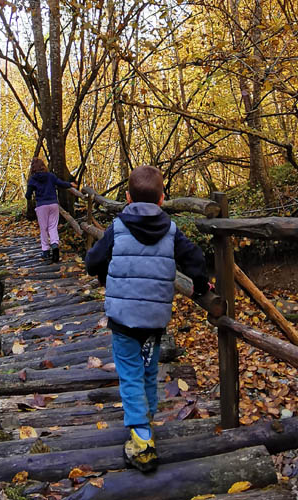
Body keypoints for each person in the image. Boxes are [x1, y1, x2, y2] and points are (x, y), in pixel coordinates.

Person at [85, 165, 209, 473]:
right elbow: (195, 259)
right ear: (162, 199)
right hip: (154, 322)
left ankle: (141, 440)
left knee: (129, 373)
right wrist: (202, 284)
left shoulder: (118, 227)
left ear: (127, 198)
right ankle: (146, 421)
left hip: (124, 321)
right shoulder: (171, 230)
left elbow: (93, 262)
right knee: (148, 369)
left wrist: (105, 275)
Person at [25, 158, 76, 263]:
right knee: (53, 227)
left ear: (33, 168)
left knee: (44, 229)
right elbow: (60, 183)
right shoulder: (50, 176)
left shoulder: (33, 179)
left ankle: (45, 251)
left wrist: (30, 195)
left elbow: (28, 195)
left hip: (41, 206)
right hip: (53, 204)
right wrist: (70, 184)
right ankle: (55, 246)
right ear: (43, 166)